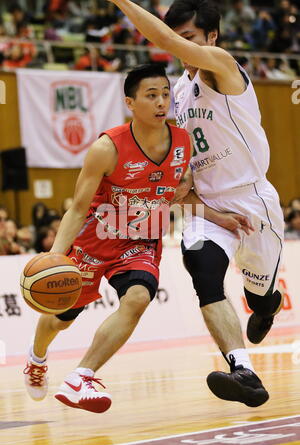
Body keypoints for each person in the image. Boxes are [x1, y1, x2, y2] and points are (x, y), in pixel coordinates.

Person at [24, 64, 251, 413]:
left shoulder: (182, 142)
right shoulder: (106, 147)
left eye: (165, 94)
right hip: (95, 239)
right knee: (61, 317)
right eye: (151, 95)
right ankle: (37, 357)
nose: (162, 102)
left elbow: (173, 196)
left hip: (141, 242)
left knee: (138, 297)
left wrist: (219, 217)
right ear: (130, 102)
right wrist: (56, 255)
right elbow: (77, 208)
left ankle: (81, 376)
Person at [106, 0, 285, 407]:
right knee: (203, 272)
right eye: (179, 38)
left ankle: (266, 304)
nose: (179, 47)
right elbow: (181, 175)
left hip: (251, 199)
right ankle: (245, 373)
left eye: (188, 39)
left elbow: (165, 40)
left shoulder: (222, 67)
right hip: (208, 209)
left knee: (259, 296)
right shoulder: (178, 96)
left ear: (212, 38)